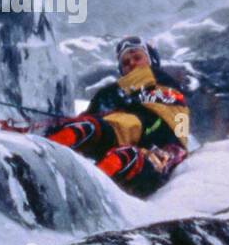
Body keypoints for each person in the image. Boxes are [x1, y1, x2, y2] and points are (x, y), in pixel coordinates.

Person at [45, 36, 189, 196]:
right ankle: (46, 150)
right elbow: (90, 119)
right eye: (126, 63)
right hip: (112, 142)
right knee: (85, 128)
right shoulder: (109, 94)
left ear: (151, 60)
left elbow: (177, 132)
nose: (132, 63)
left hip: (148, 155)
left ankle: (85, 193)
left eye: (137, 57)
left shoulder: (168, 90)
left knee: (122, 150)